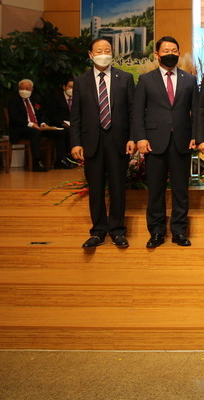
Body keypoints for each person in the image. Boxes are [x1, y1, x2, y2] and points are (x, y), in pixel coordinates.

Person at [131, 36, 199, 249]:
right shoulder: (146, 80)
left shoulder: (189, 80)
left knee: (181, 190)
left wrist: (196, 136)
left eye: (174, 50)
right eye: (166, 50)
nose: (170, 53)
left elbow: (196, 112)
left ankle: (179, 232)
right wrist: (140, 137)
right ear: (157, 55)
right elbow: (137, 113)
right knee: (156, 190)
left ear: (179, 53)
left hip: (182, 141)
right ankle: (157, 232)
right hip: (153, 142)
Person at [71, 37, 136, 249]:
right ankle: (98, 231)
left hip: (118, 140)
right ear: (90, 55)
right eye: (99, 50)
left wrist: (132, 138)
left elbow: (133, 112)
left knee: (118, 188)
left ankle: (117, 231)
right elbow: (76, 116)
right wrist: (76, 143)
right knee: (96, 189)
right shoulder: (81, 81)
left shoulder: (125, 78)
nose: (103, 53)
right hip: (92, 142)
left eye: (107, 50)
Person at [7, 79, 50, 172]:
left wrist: (43, 123)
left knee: (58, 132)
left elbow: (41, 114)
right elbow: (14, 118)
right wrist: (31, 124)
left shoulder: (35, 99)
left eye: (27, 89)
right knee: (35, 133)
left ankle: (61, 160)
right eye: (22, 88)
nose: (24, 91)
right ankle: (37, 162)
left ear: (32, 89)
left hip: (37, 127)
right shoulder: (14, 100)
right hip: (21, 128)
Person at [46, 78, 76, 168]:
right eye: (70, 87)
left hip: (74, 125)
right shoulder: (56, 98)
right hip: (58, 125)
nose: (72, 89)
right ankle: (62, 159)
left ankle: (76, 158)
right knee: (65, 132)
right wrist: (62, 123)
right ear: (64, 87)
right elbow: (51, 114)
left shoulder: (78, 98)